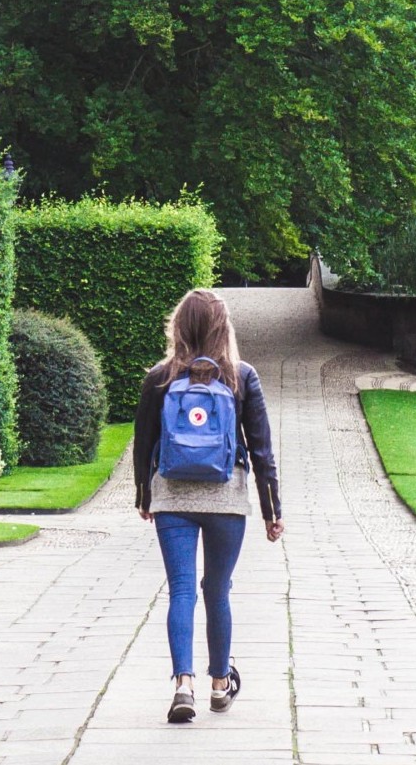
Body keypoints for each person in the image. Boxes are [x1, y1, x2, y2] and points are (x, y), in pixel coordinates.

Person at [133, 289, 283, 724]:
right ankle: (220, 684)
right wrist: (272, 511)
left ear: (178, 326)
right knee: (217, 590)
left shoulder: (160, 377)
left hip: (172, 497)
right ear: (223, 327)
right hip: (226, 498)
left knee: (180, 589)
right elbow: (261, 451)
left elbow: (142, 445)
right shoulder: (240, 376)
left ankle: (184, 684)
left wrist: (146, 496)